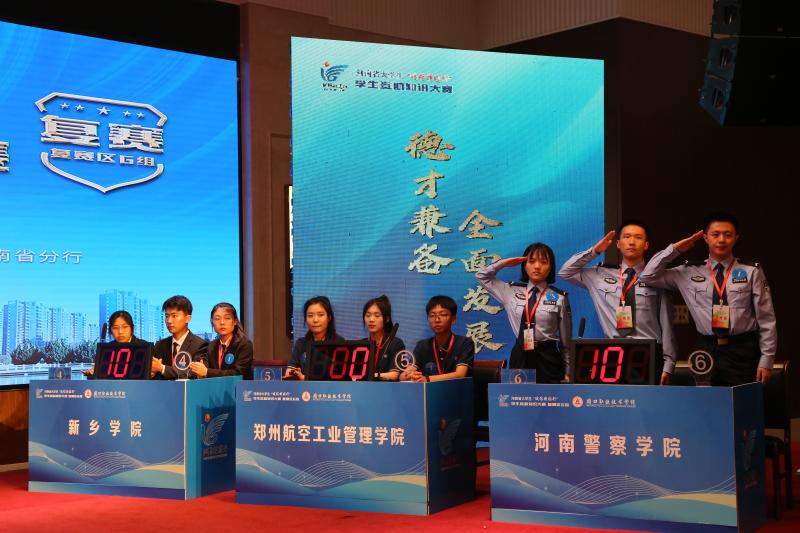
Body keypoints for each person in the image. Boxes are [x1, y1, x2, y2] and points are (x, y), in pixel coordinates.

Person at [639, 212, 777, 386]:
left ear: (736, 238)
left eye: (728, 235)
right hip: (706, 348)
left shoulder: (751, 271)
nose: (721, 240)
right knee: (707, 400)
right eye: (715, 234)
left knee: (743, 401)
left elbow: (766, 319)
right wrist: (676, 249)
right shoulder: (688, 271)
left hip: (743, 349)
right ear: (705, 238)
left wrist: (767, 359)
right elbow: (647, 276)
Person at [558, 220, 677, 385]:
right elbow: (565, 272)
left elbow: (666, 323)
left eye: (638, 237)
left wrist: (669, 363)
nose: (632, 242)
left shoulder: (656, 278)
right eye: (627, 237)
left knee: (648, 402)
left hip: (649, 352)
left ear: (646, 245)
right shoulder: (599, 275)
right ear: (618, 244)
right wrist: (595, 251)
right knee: (616, 400)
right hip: (612, 353)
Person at [476, 242, 571, 383]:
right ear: (524, 265)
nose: (537, 266)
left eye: (543, 262)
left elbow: (566, 342)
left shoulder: (559, 297)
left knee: (551, 396)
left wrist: (568, 372)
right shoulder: (510, 291)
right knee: (518, 396)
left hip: (548, 357)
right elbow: (481, 276)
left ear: (551, 267)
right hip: (520, 354)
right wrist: (503, 263)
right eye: (531, 261)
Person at [406, 295, 474, 382]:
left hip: (456, 389)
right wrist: (408, 375)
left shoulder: (465, 343)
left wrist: (427, 379)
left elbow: (460, 374)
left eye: (443, 315)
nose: (437, 320)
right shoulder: (422, 345)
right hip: (428, 390)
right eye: (432, 315)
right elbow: (408, 372)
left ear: (453, 319)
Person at [284, 296, 344, 380]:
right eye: (310, 315)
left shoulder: (339, 343)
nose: (315, 320)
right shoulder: (301, 343)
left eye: (320, 315)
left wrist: (304, 378)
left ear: (329, 318)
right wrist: (294, 374)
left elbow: (340, 379)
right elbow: (289, 373)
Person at [189, 302, 253, 380]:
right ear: (212, 322)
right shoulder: (211, 346)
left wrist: (207, 372)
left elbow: (238, 373)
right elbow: (204, 367)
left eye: (227, 318)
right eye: (217, 319)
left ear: (235, 321)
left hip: (239, 387)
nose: (222, 322)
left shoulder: (244, 344)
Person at [151, 295, 208, 379]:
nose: (169, 321)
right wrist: (151, 373)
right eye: (167, 316)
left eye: (174, 316)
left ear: (188, 318)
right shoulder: (159, 345)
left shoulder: (200, 345)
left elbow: (193, 374)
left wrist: (162, 368)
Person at [82, 310, 149, 377]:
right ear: (111, 331)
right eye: (115, 328)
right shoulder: (106, 350)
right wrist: (94, 374)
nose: (120, 332)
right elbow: (103, 376)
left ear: (132, 328)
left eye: (125, 327)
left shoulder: (145, 347)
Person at [361, 295, 405, 381]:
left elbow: (394, 375)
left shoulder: (395, 343)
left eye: (377, 316)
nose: (371, 320)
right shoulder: (361, 344)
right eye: (368, 315)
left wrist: (372, 375)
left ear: (387, 319)